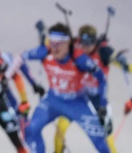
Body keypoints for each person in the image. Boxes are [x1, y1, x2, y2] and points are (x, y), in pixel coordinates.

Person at [22, 22, 110, 153]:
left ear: (68, 43)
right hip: (53, 100)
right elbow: (17, 60)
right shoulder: (45, 53)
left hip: (76, 103)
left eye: (59, 44)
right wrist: (34, 84)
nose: (55, 49)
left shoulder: (80, 59)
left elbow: (101, 78)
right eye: (52, 43)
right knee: (30, 130)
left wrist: (102, 104)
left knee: (100, 143)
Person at [53, 24, 132, 153]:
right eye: (83, 43)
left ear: (95, 42)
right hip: (78, 98)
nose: (85, 47)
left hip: (98, 102)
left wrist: (124, 63)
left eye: (89, 44)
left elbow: (121, 63)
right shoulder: (76, 49)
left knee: (107, 140)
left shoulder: (103, 53)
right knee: (60, 129)